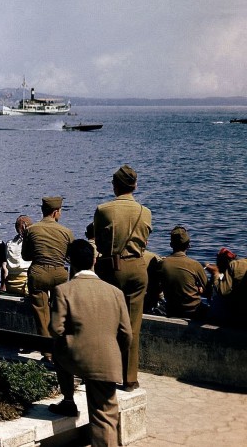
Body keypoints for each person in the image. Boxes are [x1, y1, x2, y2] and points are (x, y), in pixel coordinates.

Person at [49, 239, 132, 447]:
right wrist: (114, 352)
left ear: (71, 263)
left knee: (57, 348)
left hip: (74, 360)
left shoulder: (63, 290)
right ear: (95, 260)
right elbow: (127, 334)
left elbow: (55, 329)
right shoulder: (116, 292)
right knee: (105, 415)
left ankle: (68, 399)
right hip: (107, 360)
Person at [93, 164, 152, 390]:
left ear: (115, 186)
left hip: (111, 268)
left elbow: (99, 242)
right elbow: (145, 242)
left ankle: (106, 371)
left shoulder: (103, 209)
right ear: (135, 186)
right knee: (133, 326)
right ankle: (130, 378)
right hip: (138, 267)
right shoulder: (145, 212)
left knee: (107, 324)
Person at [23, 196, 74, 339]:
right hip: (59, 272)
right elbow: (71, 257)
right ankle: (60, 344)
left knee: (41, 313)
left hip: (38, 272)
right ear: (55, 212)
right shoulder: (66, 232)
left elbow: (26, 256)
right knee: (60, 310)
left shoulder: (31, 230)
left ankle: (47, 350)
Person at [154, 226, 208, 320]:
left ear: (171, 245)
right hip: (194, 311)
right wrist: (200, 290)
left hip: (172, 310)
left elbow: (157, 287)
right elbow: (208, 292)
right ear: (188, 245)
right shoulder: (195, 265)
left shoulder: (162, 264)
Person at [206, 247, 247, 326]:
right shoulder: (238, 266)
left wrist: (215, 273)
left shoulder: (235, 266)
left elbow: (223, 291)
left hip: (233, 318)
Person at [1, 215, 32, 295]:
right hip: (26, 286)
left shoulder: (9, 244)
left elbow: (4, 268)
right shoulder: (32, 244)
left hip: (11, 286)